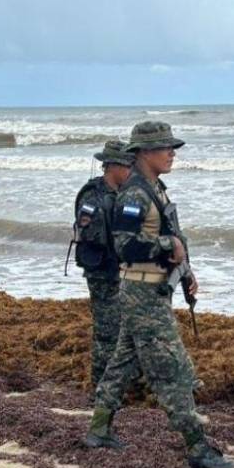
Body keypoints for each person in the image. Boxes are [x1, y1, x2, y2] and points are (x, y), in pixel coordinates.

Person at [84, 121, 234, 468]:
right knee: (172, 371)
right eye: (164, 148)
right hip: (142, 294)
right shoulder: (135, 195)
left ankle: (99, 429)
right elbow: (124, 245)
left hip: (153, 289)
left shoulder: (156, 188)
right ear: (142, 153)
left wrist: (186, 273)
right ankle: (198, 447)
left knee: (123, 363)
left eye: (172, 147)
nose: (172, 153)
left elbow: (173, 235)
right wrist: (170, 247)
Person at [72, 138, 134, 388]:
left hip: (123, 271)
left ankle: (121, 384)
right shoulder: (93, 196)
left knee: (125, 330)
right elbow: (94, 235)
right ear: (111, 166)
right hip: (103, 273)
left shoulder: (125, 193)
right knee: (107, 333)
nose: (130, 171)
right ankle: (100, 388)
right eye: (126, 166)